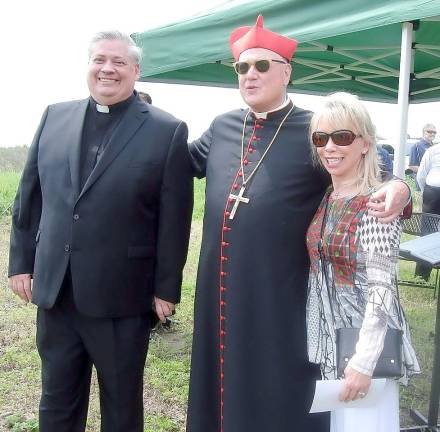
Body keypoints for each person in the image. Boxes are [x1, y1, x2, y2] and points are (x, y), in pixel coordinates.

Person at [186, 15, 410, 432]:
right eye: (242, 67)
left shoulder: (316, 130)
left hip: (281, 292)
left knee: (276, 387)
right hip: (219, 288)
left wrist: (401, 188)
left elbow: (366, 171)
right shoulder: (221, 127)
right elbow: (174, 166)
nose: (250, 75)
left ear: (286, 71)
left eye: (262, 66)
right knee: (220, 380)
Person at [8, 30, 193, 432]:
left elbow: (175, 217)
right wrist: (20, 262)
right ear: (89, 65)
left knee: (122, 405)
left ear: (136, 70)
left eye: (119, 62)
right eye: (99, 60)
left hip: (123, 296)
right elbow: (30, 196)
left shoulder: (167, 130)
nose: (108, 69)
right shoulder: (54, 116)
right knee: (56, 400)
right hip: (57, 294)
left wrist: (167, 287)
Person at [306, 92, 420, 432]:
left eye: (342, 137)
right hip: (333, 345)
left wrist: (365, 361)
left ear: (365, 144)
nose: (329, 147)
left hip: (365, 352)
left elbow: (382, 290)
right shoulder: (330, 195)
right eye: (321, 138)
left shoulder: (377, 204)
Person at [415, 142, 440, 280]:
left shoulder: (432, 150)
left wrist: (425, 192)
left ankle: (422, 274)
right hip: (432, 190)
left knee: (427, 232)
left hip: (432, 190)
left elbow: (421, 175)